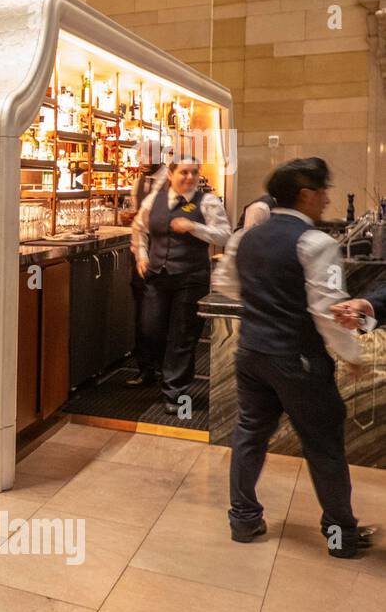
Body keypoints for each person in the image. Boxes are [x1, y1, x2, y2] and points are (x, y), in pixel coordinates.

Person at [216, 158, 370, 556]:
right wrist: (351, 354)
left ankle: (244, 520)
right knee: (323, 447)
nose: (326, 199)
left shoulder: (244, 238)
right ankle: (341, 536)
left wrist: (266, 302)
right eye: (322, 191)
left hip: (250, 351)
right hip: (298, 360)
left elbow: (227, 284)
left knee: (249, 434)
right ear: (305, 194)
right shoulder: (316, 243)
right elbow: (327, 310)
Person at [131, 156, 231, 413]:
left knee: (183, 335)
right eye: (184, 172)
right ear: (171, 175)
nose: (189, 178)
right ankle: (163, 372)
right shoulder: (155, 200)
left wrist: (194, 227)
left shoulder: (207, 202)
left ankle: (175, 393)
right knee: (150, 329)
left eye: (194, 173)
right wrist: (141, 254)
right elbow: (139, 228)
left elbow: (224, 234)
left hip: (190, 277)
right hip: (157, 275)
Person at [122, 159, 167, 388]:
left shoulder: (172, 180)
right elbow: (137, 222)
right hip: (141, 259)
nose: (143, 162)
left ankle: (164, 368)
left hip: (165, 258)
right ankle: (146, 369)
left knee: (164, 316)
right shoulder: (138, 183)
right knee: (143, 315)